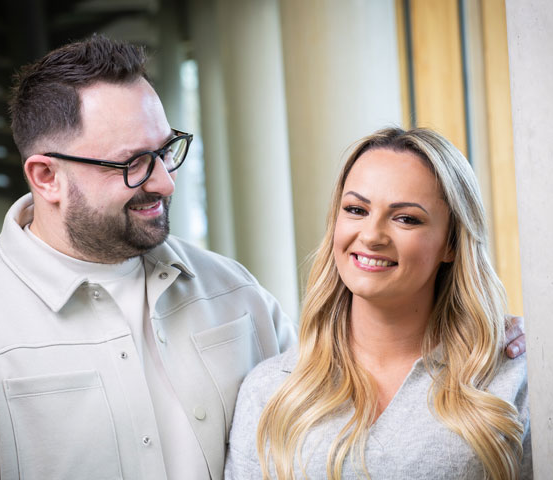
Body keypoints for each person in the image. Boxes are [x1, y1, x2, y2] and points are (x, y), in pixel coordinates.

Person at [0, 36, 525, 479]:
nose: (165, 181)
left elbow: (322, 374)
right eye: (133, 164)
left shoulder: (234, 292)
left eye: (165, 152)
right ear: (46, 176)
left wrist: (484, 338)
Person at [225, 128, 531, 479]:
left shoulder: (511, 380)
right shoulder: (269, 392)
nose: (371, 236)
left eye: (405, 218)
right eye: (356, 209)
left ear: (451, 244)